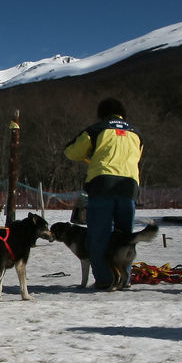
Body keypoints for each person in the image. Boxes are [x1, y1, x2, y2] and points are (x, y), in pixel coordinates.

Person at [64, 98, 144, 289]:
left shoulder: (97, 129)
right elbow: (137, 156)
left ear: (102, 113)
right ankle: (124, 278)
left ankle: (104, 279)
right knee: (125, 236)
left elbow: (72, 152)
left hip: (103, 185)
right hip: (129, 186)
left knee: (99, 234)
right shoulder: (136, 133)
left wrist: (90, 156)